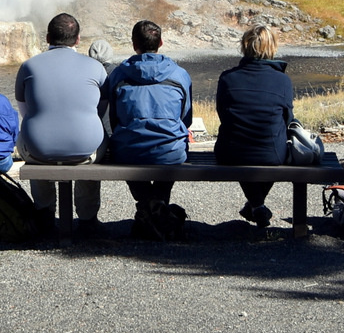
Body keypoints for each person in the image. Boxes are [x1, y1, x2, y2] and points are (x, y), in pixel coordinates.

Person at [15, 14, 110, 238]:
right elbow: (102, 111)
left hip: (39, 152)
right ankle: (87, 219)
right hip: (85, 151)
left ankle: (45, 213)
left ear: (47, 37)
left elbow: (25, 111)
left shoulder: (28, 66)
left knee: (30, 136)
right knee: (96, 140)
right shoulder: (96, 67)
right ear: (77, 40)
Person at [105, 20, 194, 239]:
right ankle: (159, 204)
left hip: (129, 150)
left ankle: (148, 206)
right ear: (161, 42)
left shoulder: (118, 75)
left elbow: (114, 120)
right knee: (171, 145)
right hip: (170, 151)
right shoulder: (180, 75)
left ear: (134, 44)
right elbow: (186, 118)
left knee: (126, 145)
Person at [213, 26, 295, 228]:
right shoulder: (283, 80)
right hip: (271, 154)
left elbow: (223, 114)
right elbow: (288, 120)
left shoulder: (227, 77)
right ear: (272, 47)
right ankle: (257, 205)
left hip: (231, 152)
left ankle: (257, 206)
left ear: (244, 46)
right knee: (268, 148)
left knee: (242, 144)